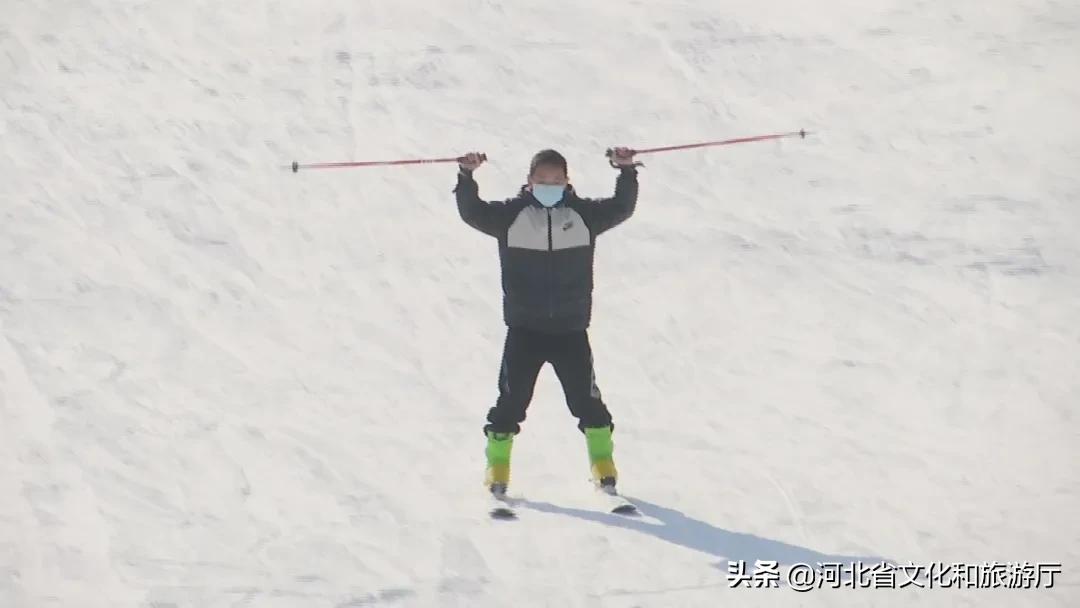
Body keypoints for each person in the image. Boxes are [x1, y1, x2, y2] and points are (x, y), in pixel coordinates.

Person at [454, 147, 639, 498]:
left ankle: (603, 463)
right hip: (525, 330)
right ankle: (497, 464)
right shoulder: (512, 217)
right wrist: (467, 176)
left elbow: (621, 207)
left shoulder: (584, 215)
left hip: (570, 330)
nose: (549, 186)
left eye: (556, 180)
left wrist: (626, 171)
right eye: (542, 180)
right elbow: (473, 213)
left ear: (568, 182)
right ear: (530, 181)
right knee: (512, 400)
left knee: (586, 400)